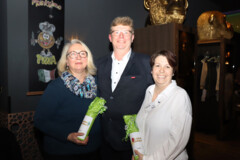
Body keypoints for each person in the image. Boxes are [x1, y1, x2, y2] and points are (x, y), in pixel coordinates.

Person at [96, 16, 153, 160]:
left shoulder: (146, 62)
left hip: (134, 141)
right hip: (104, 140)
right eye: (116, 32)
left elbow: (156, 98)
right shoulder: (99, 64)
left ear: (132, 37)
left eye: (126, 32)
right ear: (110, 37)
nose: (121, 36)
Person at [34, 39, 101, 160]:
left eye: (82, 53)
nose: (78, 57)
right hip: (63, 152)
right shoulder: (56, 87)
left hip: (93, 150)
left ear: (88, 58)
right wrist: (68, 136)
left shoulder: (98, 84)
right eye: (73, 54)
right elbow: (40, 120)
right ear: (66, 61)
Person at [134, 50, 192, 160]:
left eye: (167, 67)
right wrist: (138, 153)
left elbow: (177, 141)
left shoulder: (180, 96)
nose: (162, 70)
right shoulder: (149, 91)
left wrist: (148, 159)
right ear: (151, 70)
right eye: (157, 65)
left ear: (173, 72)